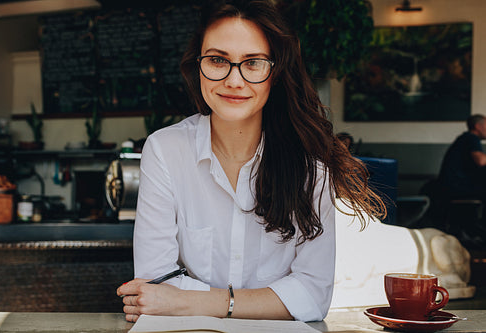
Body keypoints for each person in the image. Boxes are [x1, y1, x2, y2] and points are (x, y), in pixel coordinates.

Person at [117, 0, 385, 323]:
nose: (234, 80)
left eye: (253, 63)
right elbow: (155, 284)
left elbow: (312, 295)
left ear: (275, 72)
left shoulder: (311, 167)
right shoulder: (164, 151)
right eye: (218, 60)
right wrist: (269, 301)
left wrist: (200, 302)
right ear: (197, 64)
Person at [439, 114, 486, 199]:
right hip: (457, 187)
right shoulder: (471, 138)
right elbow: (481, 161)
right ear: (478, 126)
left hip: (451, 185)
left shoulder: (465, 138)